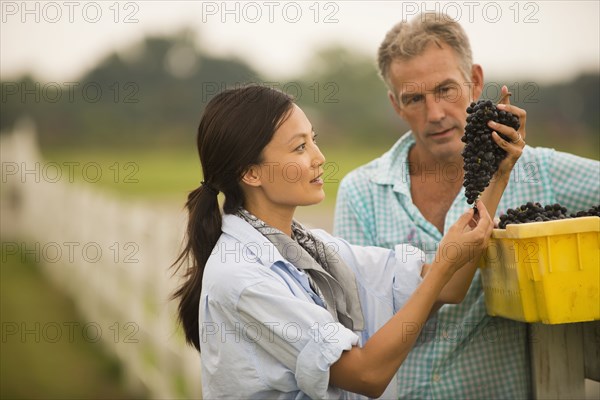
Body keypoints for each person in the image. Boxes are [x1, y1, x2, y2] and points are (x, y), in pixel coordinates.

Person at [170, 85, 526, 399]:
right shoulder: (241, 278)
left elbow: (447, 288)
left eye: (314, 140)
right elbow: (366, 375)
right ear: (250, 173)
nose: (319, 157)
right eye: (299, 148)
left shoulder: (314, 249)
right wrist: (445, 263)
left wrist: (497, 172)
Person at [333, 12, 600, 399]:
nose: (436, 113)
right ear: (395, 104)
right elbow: (362, 325)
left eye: (446, 90)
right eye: (414, 98)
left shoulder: (535, 169)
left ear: (474, 81)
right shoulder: (362, 191)